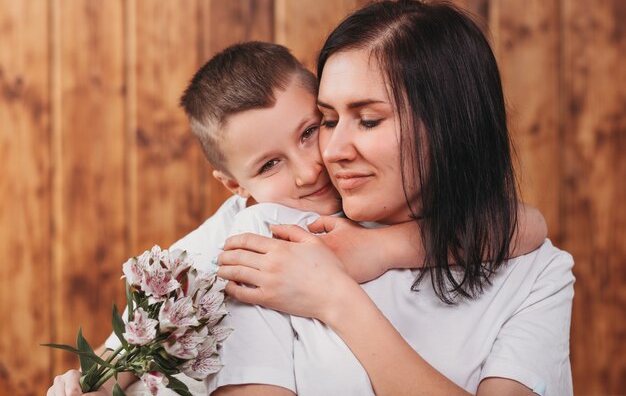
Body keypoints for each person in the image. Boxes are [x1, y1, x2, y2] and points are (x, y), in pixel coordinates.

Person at [47, 39, 547, 396]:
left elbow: (525, 226)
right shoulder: (248, 234)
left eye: (312, 131)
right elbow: (144, 324)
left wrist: (381, 248)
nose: (311, 169)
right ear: (235, 186)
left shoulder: (375, 193)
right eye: (270, 165)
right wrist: (97, 378)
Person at [214, 0, 575, 395]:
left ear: (448, 126)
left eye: (368, 121)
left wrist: (337, 299)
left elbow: (521, 226)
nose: (331, 152)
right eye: (328, 121)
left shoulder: (538, 273)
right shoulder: (272, 236)